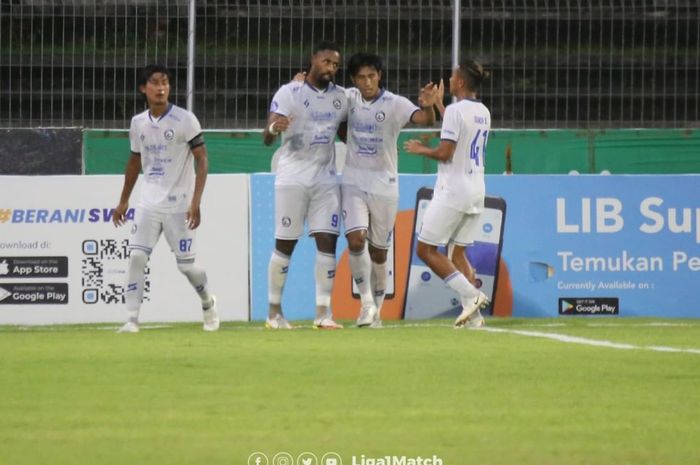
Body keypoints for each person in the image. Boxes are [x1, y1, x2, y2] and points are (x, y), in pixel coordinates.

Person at [112, 64, 219, 333]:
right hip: (149, 202)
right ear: (143, 88)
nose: (161, 87)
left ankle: (208, 302)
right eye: (155, 82)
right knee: (137, 256)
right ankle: (131, 319)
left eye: (166, 82)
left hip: (179, 205)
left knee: (186, 266)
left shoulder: (185, 119)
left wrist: (196, 201)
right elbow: (135, 161)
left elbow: (202, 159)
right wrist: (123, 200)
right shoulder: (138, 123)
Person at [341, 52, 438, 328]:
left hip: (384, 185)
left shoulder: (395, 103)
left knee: (379, 253)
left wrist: (429, 107)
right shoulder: (348, 98)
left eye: (372, 76)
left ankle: (377, 312)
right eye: (361, 77)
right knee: (356, 240)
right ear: (353, 80)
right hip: (353, 182)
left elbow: (425, 120)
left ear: (379, 76)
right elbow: (321, 99)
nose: (367, 81)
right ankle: (366, 304)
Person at [262, 40, 348, 329]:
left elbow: (348, 134)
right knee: (285, 243)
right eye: (326, 62)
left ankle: (323, 314)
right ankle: (274, 312)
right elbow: (268, 134)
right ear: (314, 59)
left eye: (335, 65)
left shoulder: (342, 97)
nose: (330, 68)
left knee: (328, 241)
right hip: (292, 178)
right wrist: (276, 127)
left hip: (325, 179)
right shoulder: (290, 92)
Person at [404, 59, 491, 328]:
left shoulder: (455, 111)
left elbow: (445, 152)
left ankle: (471, 295)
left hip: (453, 191)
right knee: (457, 255)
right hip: (476, 190)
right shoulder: (483, 111)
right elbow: (460, 132)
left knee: (426, 250)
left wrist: (421, 149)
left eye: (453, 78)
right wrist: (440, 106)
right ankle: (474, 317)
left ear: (461, 82)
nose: (449, 81)